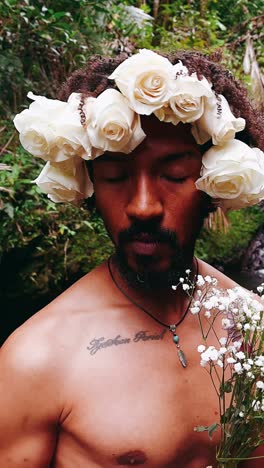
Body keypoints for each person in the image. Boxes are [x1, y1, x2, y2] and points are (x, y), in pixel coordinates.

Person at [1, 49, 264, 467]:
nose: (143, 206)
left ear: (215, 183)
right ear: (89, 185)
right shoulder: (37, 360)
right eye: (115, 176)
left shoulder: (254, 329)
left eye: (174, 176)